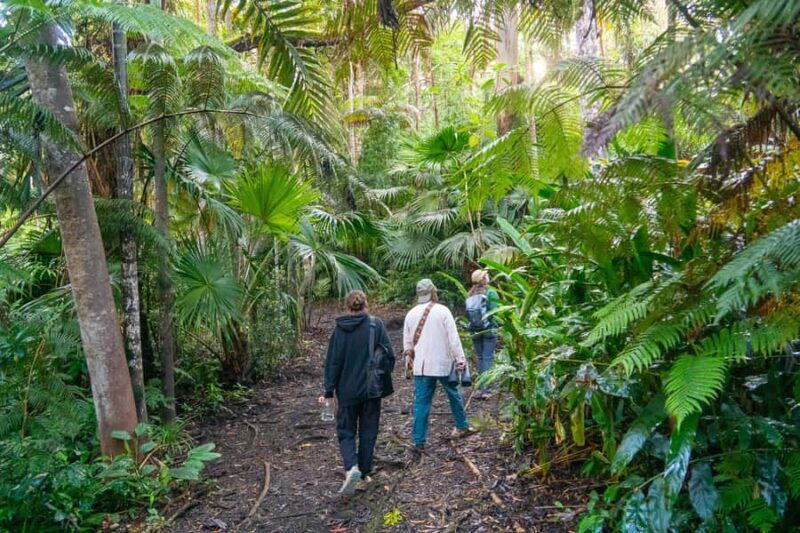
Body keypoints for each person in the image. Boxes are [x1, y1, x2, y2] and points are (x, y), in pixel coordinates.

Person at [320, 290, 395, 496]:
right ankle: (364, 472)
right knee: (369, 431)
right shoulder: (375, 325)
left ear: (347, 306)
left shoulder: (340, 330)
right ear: (365, 304)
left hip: (347, 391)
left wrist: (329, 390)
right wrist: (382, 376)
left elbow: (333, 362)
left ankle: (350, 467)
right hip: (371, 390)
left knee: (346, 431)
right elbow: (390, 355)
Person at [403, 279, 473, 456]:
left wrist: (408, 364)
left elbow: (408, 345)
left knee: (421, 403)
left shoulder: (410, 314)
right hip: (443, 363)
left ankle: (419, 440)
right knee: (454, 394)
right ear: (433, 291)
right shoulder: (443, 311)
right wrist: (460, 359)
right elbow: (453, 338)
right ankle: (462, 425)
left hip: (422, 367)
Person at [466, 269, 499, 399]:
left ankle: (480, 388)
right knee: (487, 358)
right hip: (489, 329)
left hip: (474, 330)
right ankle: (487, 390)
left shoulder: (470, 294)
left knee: (480, 358)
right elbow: (495, 312)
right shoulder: (491, 293)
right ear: (484, 279)